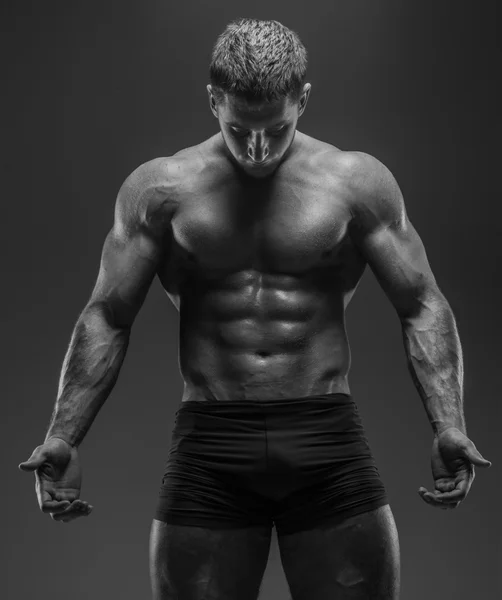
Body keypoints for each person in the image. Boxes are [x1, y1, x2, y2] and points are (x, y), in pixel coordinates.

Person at [19, 17, 492, 600]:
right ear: (213, 99)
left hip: (324, 437)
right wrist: (63, 437)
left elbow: (422, 303)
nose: (259, 148)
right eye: (240, 129)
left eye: (278, 128)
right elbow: (108, 315)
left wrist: (449, 425)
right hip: (211, 443)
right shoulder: (160, 190)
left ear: (304, 100)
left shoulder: (356, 183)